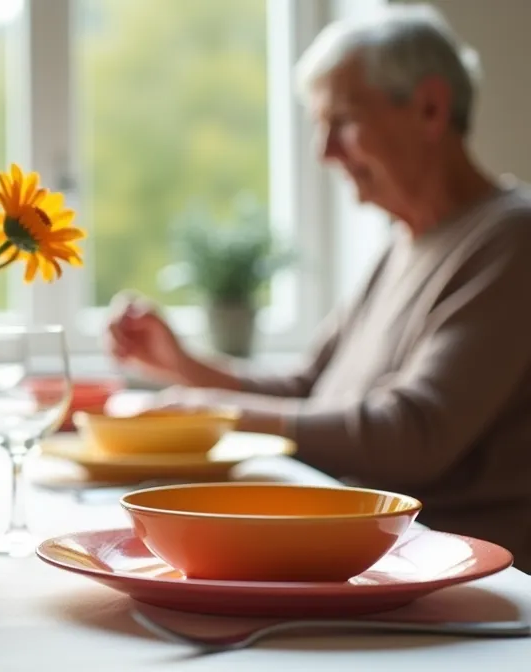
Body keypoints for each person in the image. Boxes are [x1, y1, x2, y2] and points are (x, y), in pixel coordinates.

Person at [106, 4, 531, 567]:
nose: (324, 151)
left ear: (430, 108)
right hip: (372, 559)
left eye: (344, 121)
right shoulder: (404, 241)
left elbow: (414, 434)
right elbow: (313, 387)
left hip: (454, 575)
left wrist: (217, 414)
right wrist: (187, 368)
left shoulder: (512, 238)